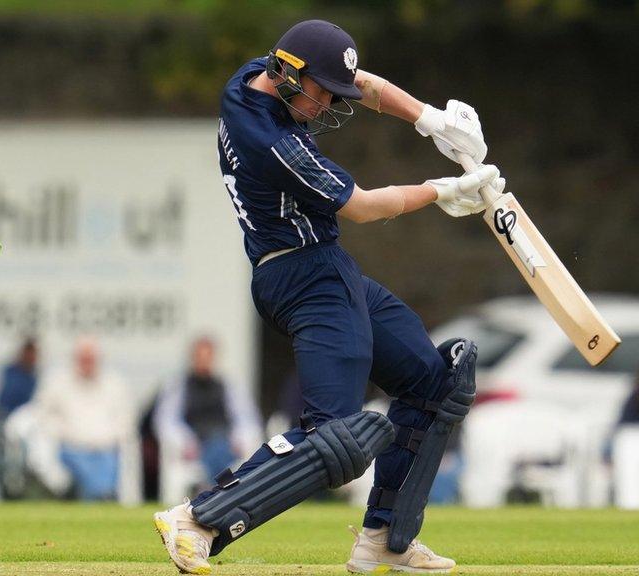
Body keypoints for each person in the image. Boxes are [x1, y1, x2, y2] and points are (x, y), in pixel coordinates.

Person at [153, 20, 495, 574]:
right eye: (323, 94)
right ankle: (199, 518)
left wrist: (432, 119)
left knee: (437, 382)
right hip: (302, 276)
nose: (330, 104)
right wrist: (442, 191)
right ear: (288, 75)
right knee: (336, 432)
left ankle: (386, 537)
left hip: (327, 270)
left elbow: (365, 84)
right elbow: (362, 207)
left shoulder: (253, 77)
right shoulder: (271, 141)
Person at [154, 337, 261, 486]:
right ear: (192, 358)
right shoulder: (178, 386)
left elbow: (246, 418)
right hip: (195, 444)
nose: (203, 363)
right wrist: (185, 443)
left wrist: (240, 441)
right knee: (217, 452)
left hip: (226, 442)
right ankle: (218, 492)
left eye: (207, 357)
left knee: (219, 448)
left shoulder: (228, 385)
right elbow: (166, 420)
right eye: (199, 357)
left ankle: (209, 491)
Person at [35, 337, 132, 500]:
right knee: (87, 472)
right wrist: (62, 432)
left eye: (91, 359)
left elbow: (126, 420)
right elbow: (42, 415)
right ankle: (98, 497)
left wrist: (108, 437)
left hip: (105, 450)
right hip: (69, 449)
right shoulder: (57, 382)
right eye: (83, 358)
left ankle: (98, 496)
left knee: (104, 466)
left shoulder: (115, 384)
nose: (87, 363)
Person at [0, 338, 39, 421]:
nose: (32, 358)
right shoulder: (10, 374)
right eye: (29, 354)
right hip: (7, 416)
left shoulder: (34, 378)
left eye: (33, 355)